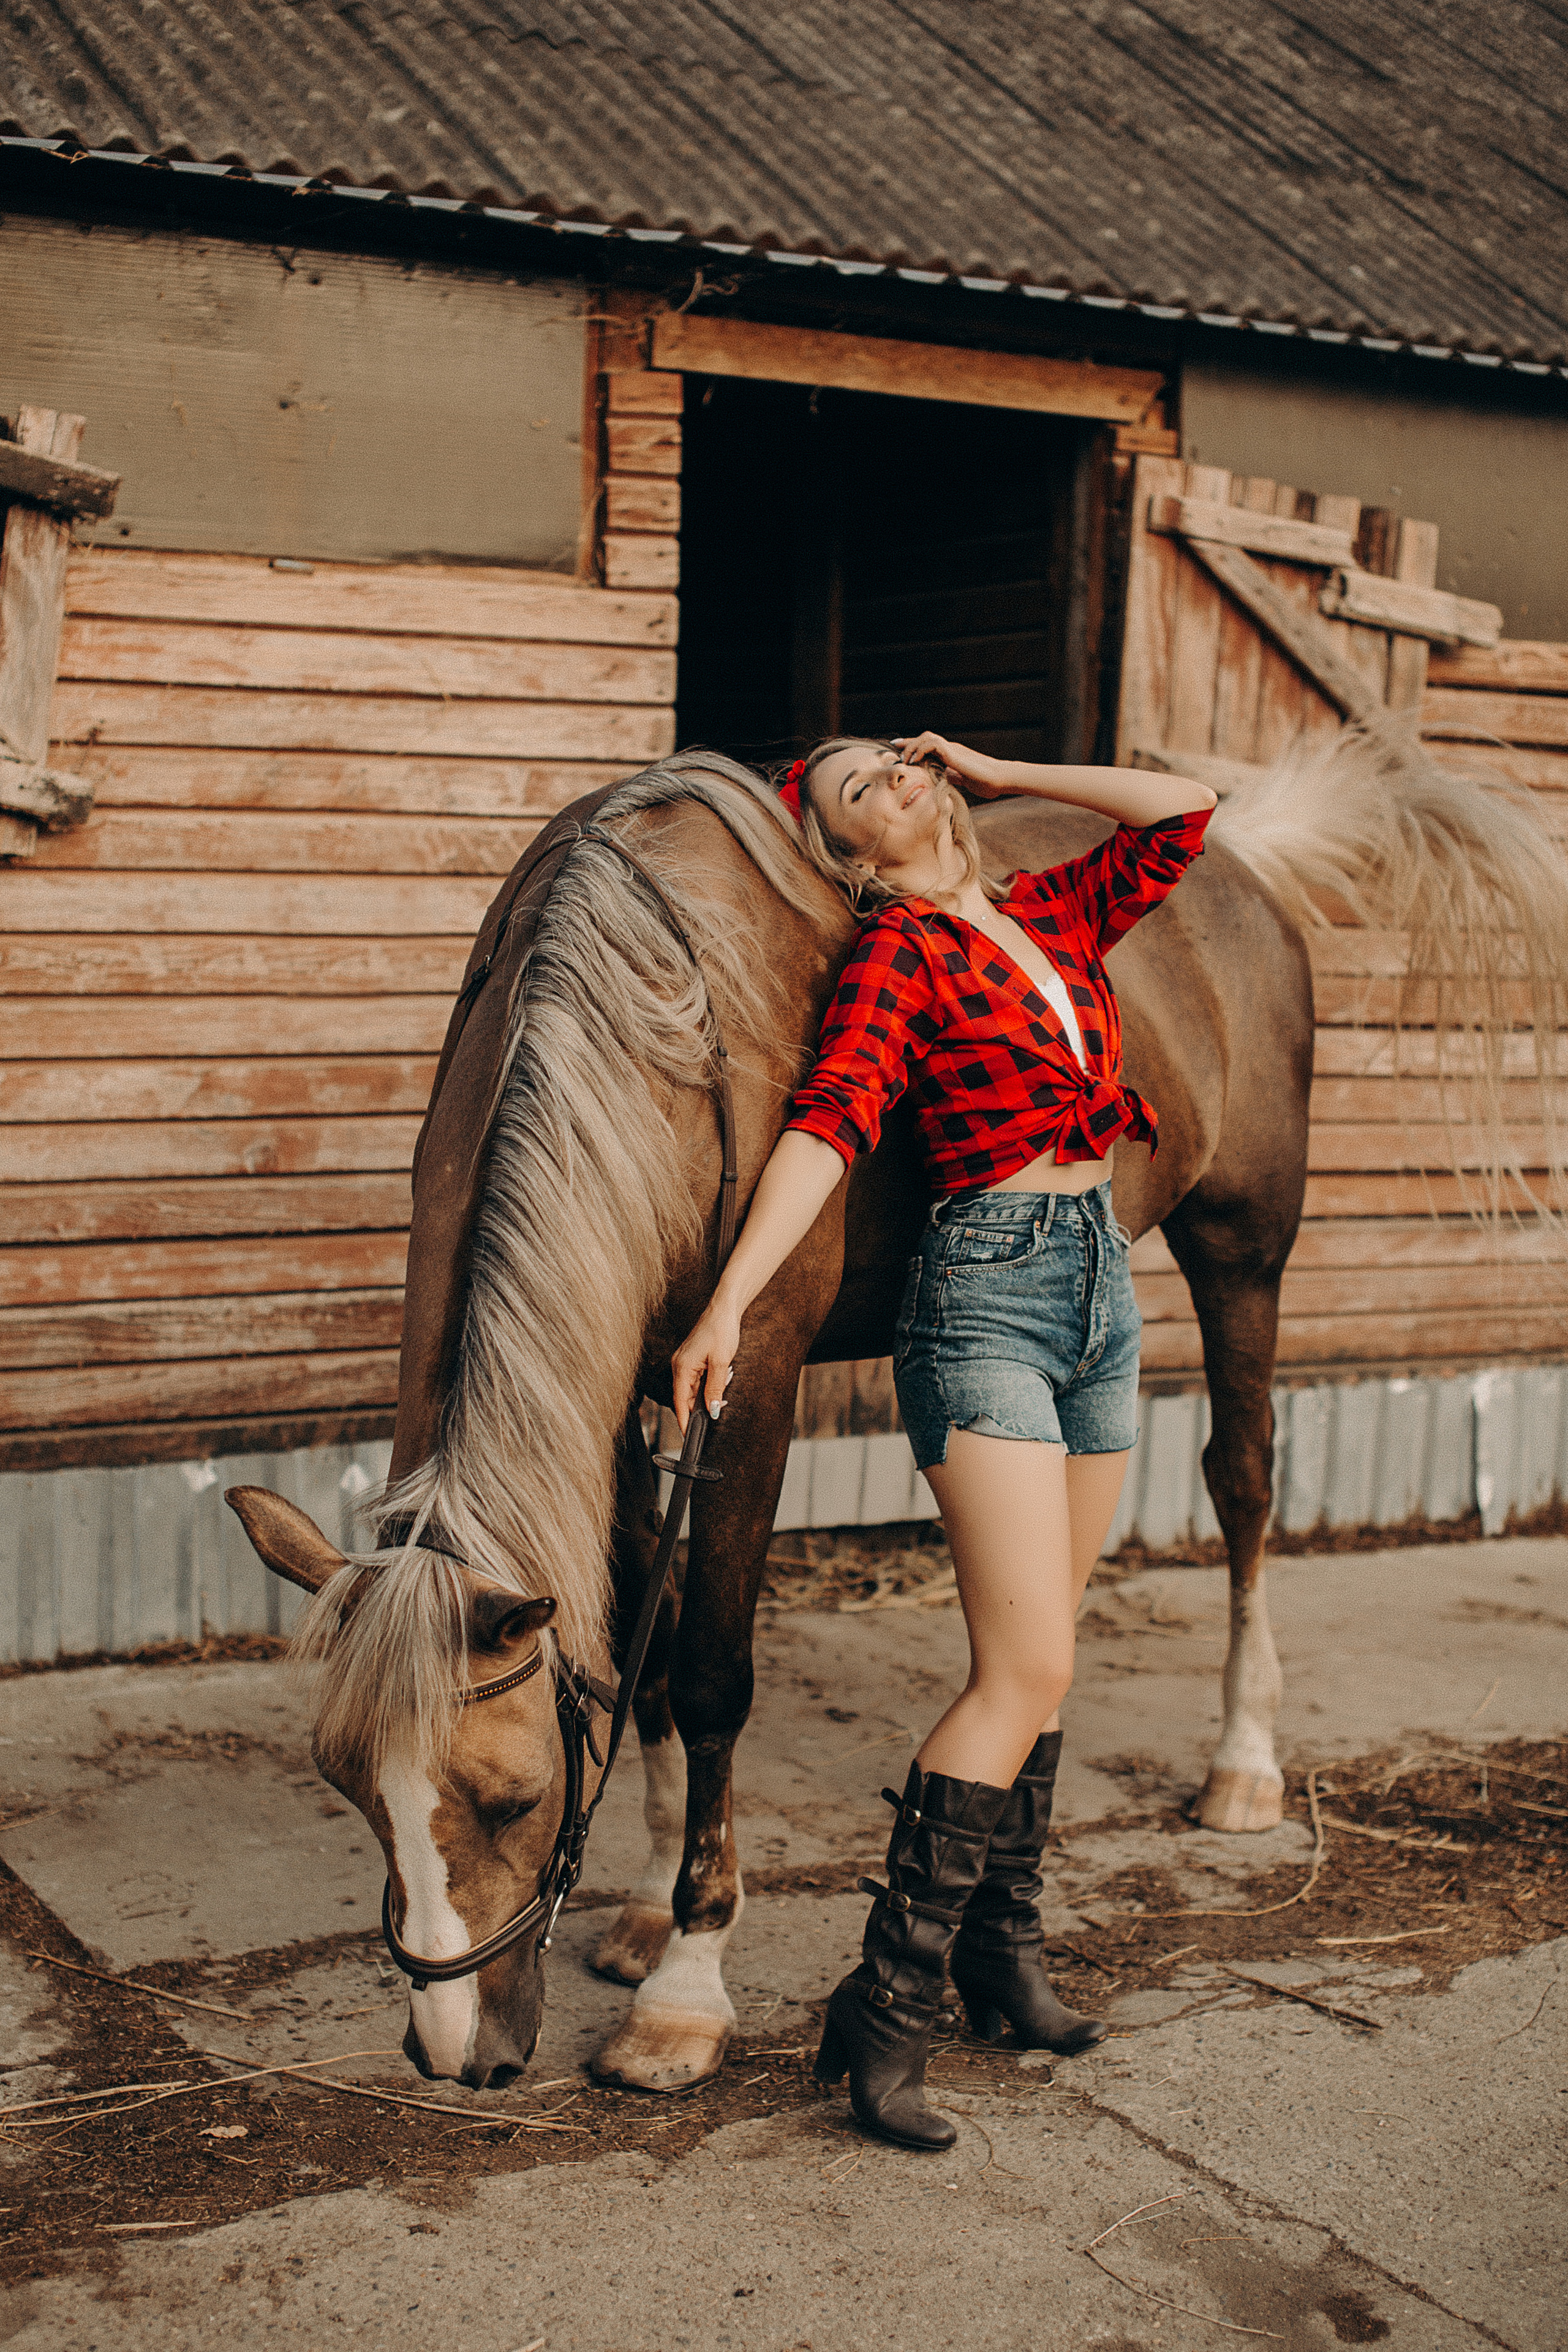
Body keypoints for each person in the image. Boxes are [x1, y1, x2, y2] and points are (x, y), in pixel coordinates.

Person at [673, 733, 1216, 2150]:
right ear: (848, 851)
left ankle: (996, 1950)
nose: (897, 781)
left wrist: (995, 762)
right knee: (1018, 1664)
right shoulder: (896, 956)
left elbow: (1184, 814)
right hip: (984, 1298)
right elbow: (828, 1124)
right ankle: (884, 2006)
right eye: (862, 789)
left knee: (1056, 1654)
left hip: (1101, 1283)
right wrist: (726, 1304)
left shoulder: (1046, 907)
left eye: (902, 760)